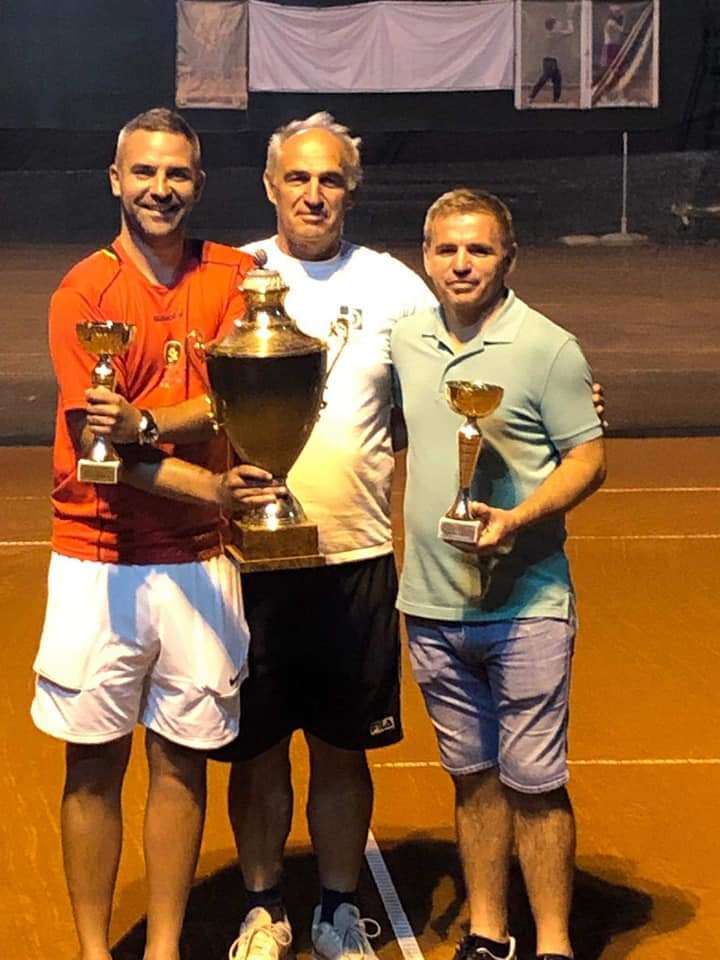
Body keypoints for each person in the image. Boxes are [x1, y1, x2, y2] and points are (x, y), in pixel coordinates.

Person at [30, 108, 281, 960]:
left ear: (199, 184)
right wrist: (210, 483)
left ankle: (165, 949)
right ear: (116, 179)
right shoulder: (84, 295)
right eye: (144, 172)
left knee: (182, 761)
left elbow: (246, 395)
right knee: (93, 766)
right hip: (100, 558)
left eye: (176, 173)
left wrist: (148, 422)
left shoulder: (237, 277)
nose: (160, 188)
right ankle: (95, 952)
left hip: (201, 560)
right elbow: (102, 458)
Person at [213, 112, 438, 960]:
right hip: (250, 559)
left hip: (355, 559)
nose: (314, 193)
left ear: (352, 188)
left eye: (331, 178)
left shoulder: (393, 286)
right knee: (258, 749)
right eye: (298, 178)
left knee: (344, 750)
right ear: (270, 186)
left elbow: (452, 383)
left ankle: (338, 909)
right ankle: (263, 909)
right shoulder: (233, 276)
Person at [390, 189, 606, 960]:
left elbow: (588, 457)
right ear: (426, 257)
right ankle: (488, 932)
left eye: (479, 249)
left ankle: (554, 942)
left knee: (536, 784)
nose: (462, 263)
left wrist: (516, 519)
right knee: (474, 780)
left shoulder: (549, 347)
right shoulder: (405, 340)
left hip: (528, 605)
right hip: (431, 606)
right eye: (447, 249)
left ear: (508, 258)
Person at [529, 16, 574, 104]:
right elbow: (570, 31)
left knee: (557, 79)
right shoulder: (555, 33)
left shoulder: (553, 33)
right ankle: (531, 96)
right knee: (544, 79)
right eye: (557, 22)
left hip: (551, 61)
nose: (559, 23)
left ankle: (556, 99)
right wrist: (569, 19)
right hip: (550, 61)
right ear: (554, 25)